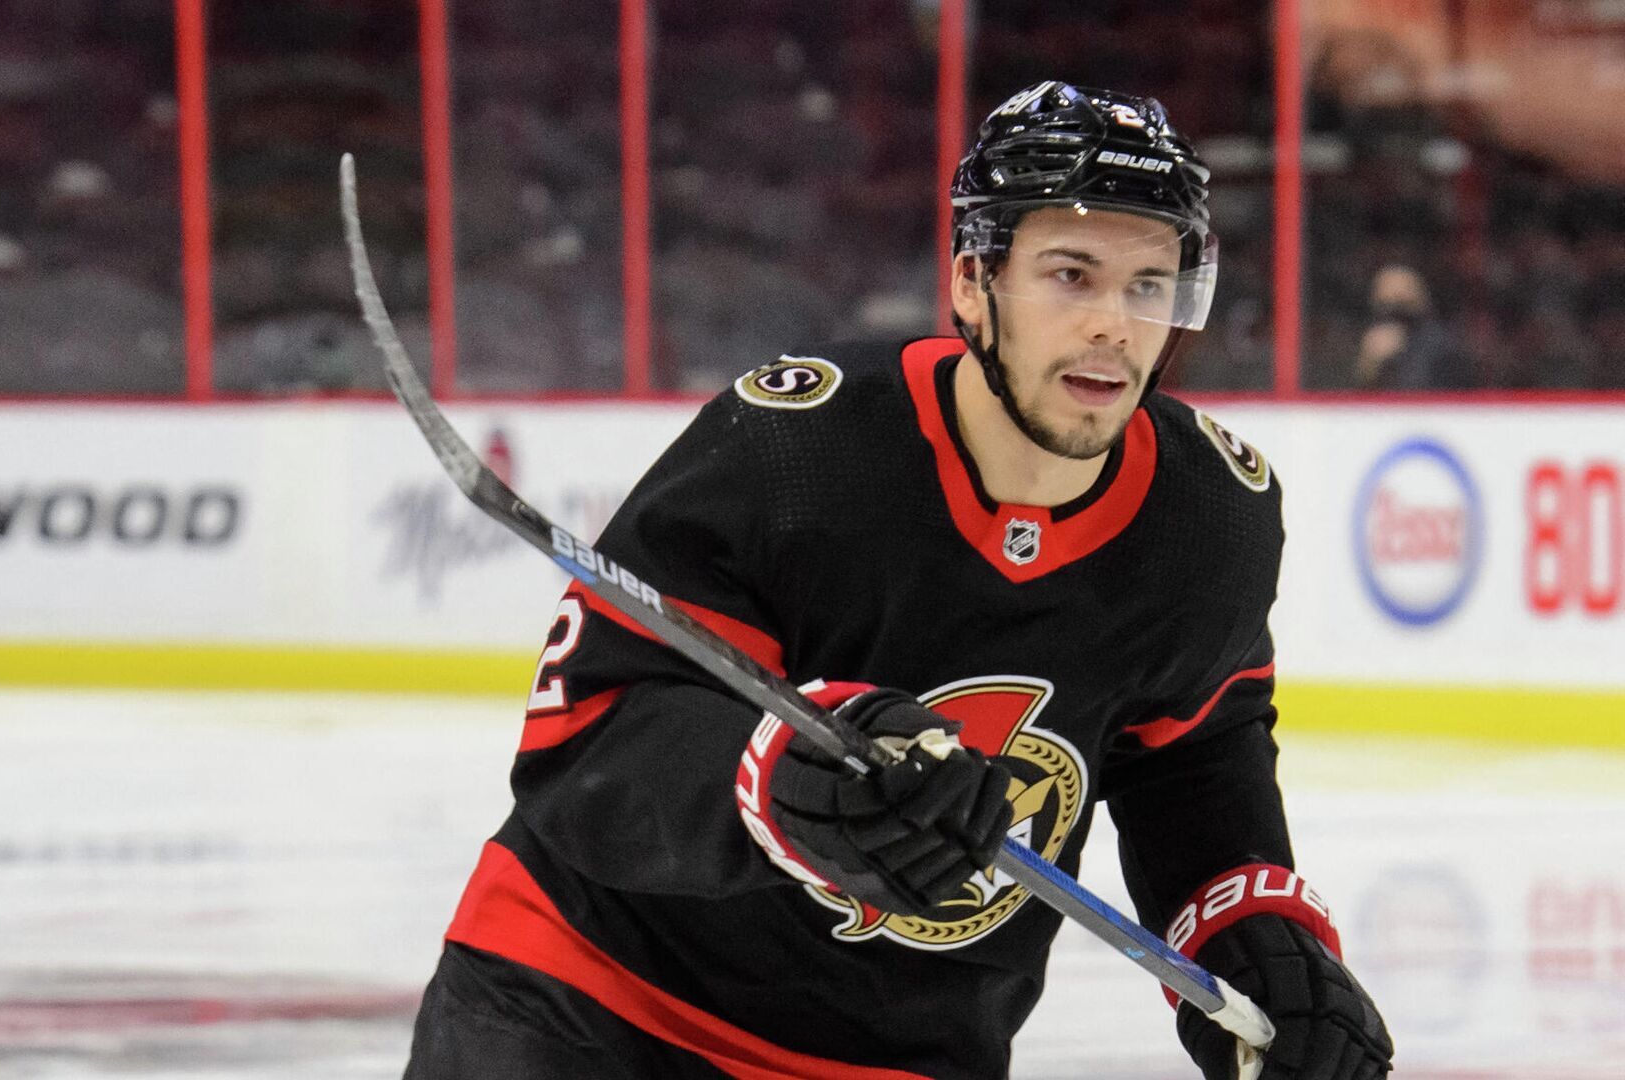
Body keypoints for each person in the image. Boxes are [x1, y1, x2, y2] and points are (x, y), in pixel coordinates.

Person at [404, 80, 1394, 1080]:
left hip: (898, 1056)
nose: (1114, 325)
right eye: (1070, 275)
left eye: (1149, 285)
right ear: (974, 282)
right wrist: (784, 781)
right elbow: (591, 737)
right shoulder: (803, 450)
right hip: (592, 1000)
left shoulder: (1207, 519)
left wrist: (1258, 937)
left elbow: (1192, 762)